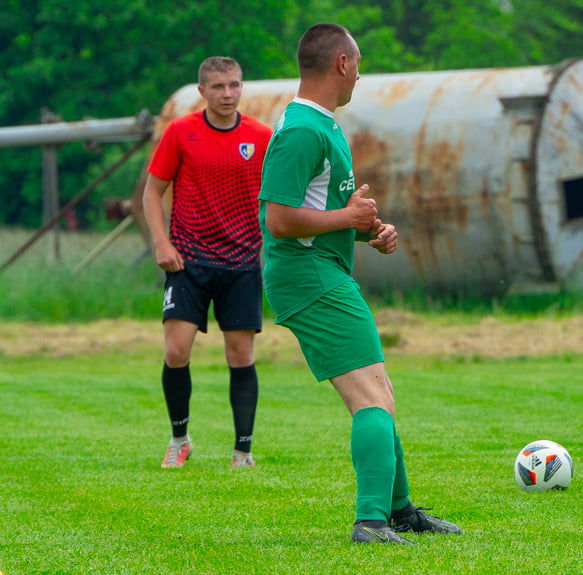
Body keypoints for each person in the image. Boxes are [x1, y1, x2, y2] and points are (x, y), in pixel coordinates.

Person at [258, 23, 463, 544]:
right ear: (342, 65)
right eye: (359, 62)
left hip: (322, 271)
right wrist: (349, 221)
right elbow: (279, 220)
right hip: (308, 279)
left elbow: (318, 209)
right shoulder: (303, 130)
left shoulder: (322, 125)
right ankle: (371, 521)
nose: (360, 73)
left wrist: (369, 230)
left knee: (381, 393)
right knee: (371, 399)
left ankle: (400, 511)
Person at [143, 56, 273, 470]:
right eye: (217, 87)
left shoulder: (262, 136)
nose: (227, 94)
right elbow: (151, 193)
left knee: (240, 354)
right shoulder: (181, 132)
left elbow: (281, 196)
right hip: (188, 261)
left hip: (241, 263)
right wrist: (161, 243)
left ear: (242, 87)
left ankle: (243, 452)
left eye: (234, 85)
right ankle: (179, 439)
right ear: (202, 92)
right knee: (177, 351)